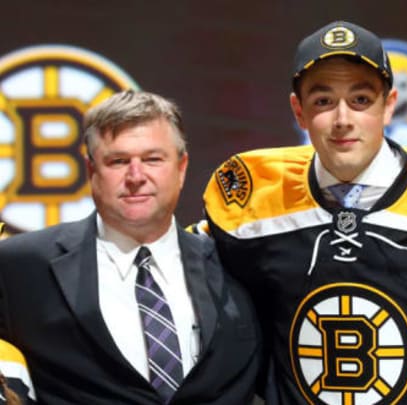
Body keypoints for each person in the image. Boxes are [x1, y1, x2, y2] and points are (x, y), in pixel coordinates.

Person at [201, 21, 407, 404]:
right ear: (298, 111)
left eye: (361, 100)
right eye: (323, 101)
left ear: (389, 105)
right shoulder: (255, 198)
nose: (342, 119)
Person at [0, 91, 262, 404]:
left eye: (153, 159)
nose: (136, 176)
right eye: (118, 161)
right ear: (91, 171)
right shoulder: (21, 266)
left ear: (181, 168)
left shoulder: (238, 263)